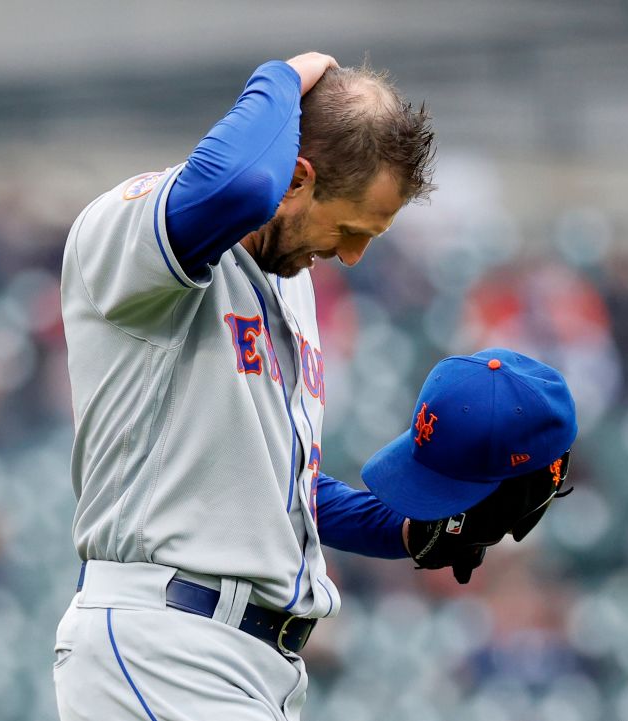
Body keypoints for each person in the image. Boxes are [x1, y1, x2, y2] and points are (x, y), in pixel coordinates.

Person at [53, 51, 575, 721]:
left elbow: (277, 490)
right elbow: (236, 185)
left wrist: (411, 529)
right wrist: (282, 73)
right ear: (295, 178)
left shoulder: (290, 281)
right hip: (164, 646)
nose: (354, 254)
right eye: (351, 227)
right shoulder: (133, 231)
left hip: (244, 661)